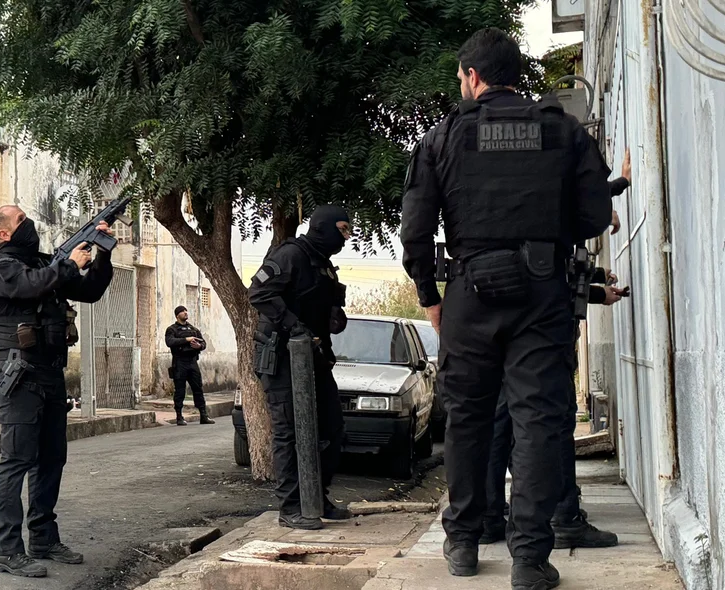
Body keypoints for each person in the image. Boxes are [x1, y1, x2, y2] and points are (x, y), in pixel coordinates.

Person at [400, 28, 613, 590]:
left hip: (469, 291)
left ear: (472, 76)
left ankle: (464, 544)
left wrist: (430, 298)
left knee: (467, 418)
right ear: (516, 74)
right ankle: (529, 560)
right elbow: (593, 219)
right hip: (542, 291)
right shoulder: (562, 131)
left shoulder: (443, 137)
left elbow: (416, 231)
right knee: (538, 420)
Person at [483, 153, 633, 549]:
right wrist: (613, 192)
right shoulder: (547, 208)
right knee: (548, 424)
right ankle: (561, 516)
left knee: (502, 426)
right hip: (541, 337)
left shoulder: (507, 204)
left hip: (501, 332)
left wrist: (597, 280)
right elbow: (554, 273)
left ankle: (489, 518)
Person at [0, 205, 114, 578]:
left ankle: (43, 539)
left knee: (52, 459)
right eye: (20, 221)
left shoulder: (45, 265)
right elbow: (31, 285)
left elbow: (90, 291)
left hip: (50, 375)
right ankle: (7, 550)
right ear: (4, 234)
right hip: (19, 375)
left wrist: (102, 253)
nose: (29, 224)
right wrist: (68, 263)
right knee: (16, 462)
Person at [248, 205, 353, 531]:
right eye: (342, 229)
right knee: (289, 432)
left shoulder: (324, 264)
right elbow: (259, 292)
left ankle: (316, 498)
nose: (346, 237)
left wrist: (334, 318)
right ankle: (291, 507)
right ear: (323, 228)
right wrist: (294, 327)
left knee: (332, 428)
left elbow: (326, 310)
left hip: (314, 357)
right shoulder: (291, 254)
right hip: (281, 358)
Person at [164, 306, 215, 426]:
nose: (185, 313)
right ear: (177, 315)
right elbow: (170, 342)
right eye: (182, 311)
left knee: (198, 389)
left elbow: (203, 343)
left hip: (192, 362)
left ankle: (203, 415)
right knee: (180, 390)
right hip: (179, 362)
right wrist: (186, 339)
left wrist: (199, 346)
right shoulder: (172, 329)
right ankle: (179, 416)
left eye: (186, 311)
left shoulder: (193, 329)